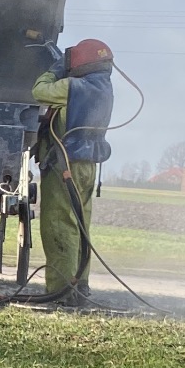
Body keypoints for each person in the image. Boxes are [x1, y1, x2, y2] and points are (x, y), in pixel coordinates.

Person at [31, 37, 114, 306]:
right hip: (88, 167)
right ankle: (81, 286)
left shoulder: (71, 86)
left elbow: (39, 90)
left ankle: (62, 292)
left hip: (64, 166)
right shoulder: (104, 89)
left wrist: (55, 69)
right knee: (81, 226)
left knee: (59, 225)